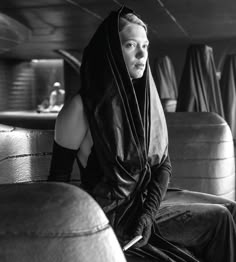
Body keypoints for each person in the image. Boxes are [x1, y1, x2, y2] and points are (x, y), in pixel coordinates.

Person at [48, 6, 236, 262]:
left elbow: (163, 165)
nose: (141, 54)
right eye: (130, 45)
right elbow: (56, 186)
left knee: (227, 213)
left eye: (145, 46)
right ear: (112, 51)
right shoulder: (80, 109)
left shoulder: (147, 102)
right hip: (109, 219)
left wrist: (148, 214)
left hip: (146, 206)